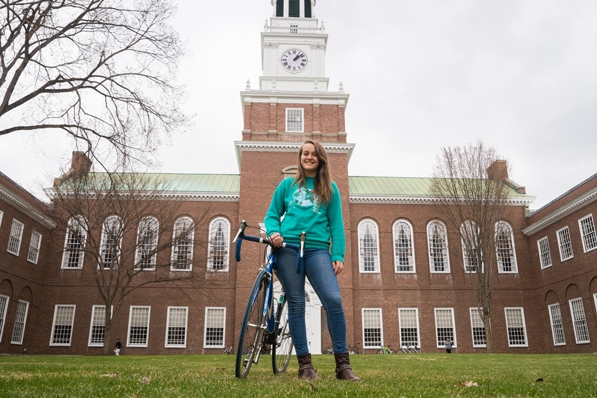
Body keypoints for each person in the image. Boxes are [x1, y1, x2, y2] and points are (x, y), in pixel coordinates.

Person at [265, 139, 360, 382]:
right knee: (296, 303)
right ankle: (305, 366)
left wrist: (337, 254)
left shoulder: (330, 188)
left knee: (333, 300)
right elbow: (272, 215)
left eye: (313, 154)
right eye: (304, 153)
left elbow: (337, 225)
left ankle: (343, 366)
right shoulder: (287, 185)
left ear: (320, 159)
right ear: (300, 157)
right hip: (287, 249)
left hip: (317, 250)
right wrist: (274, 232)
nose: (308, 157)